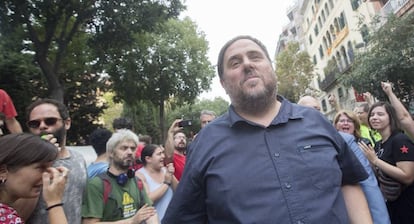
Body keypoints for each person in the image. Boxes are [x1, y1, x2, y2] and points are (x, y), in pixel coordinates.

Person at [162, 35, 372, 223]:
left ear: (271, 68)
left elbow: (349, 183)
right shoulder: (205, 142)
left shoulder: (317, 121)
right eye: (235, 63)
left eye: (255, 57)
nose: (247, 65)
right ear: (223, 83)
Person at [14, 98, 87, 224]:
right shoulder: (23, 163)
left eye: (50, 121)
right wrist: (40, 161)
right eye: (35, 124)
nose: (42, 126)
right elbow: (18, 215)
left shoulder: (79, 159)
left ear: (67, 123)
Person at [82, 129, 159, 223]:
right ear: (110, 153)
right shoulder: (97, 184)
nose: (130, 152)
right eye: (124, 148)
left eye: (133, 148)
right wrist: (130, 221)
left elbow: (150, 213)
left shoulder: (137, 182)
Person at [359, 101, 414, 224]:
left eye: (380, 114)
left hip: (407, 204)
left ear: (390, 117)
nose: (375, 118)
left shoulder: (400, 140)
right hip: (391, 204)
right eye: (372, 115)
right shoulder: (378, 144)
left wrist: (375, 160)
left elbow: (408, 176)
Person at [332, 110, 391, 224]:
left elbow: (372, 171)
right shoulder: (331, 146)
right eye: (342, 121)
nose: (345, 123)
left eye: (349, 121)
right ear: (335, 125)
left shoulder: (364, 143)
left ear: (355, 125)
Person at [0, 133, 69, 224]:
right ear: (3, 171)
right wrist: (54, 203)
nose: (50, 175)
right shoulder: (4, 217)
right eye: (41, 167)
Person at [136, 144, 178, 221]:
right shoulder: (140, 175)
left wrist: (171, 175)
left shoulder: (166, 171)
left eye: (163, 153)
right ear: (148, 159)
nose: (163, 156)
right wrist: (166, 183)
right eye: (159, 154)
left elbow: (179, 191)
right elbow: (148, 200)